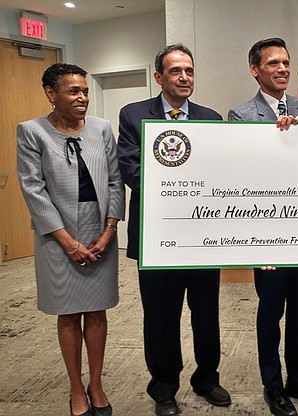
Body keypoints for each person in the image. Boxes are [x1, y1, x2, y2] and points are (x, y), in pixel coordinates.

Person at [117, 44, 230, 416]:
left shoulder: (211, 119)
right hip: (158, 238)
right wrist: (182, 184)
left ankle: (208, 379)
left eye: (190, 71)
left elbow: (221, 174)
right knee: (161, 317)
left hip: (201, 237)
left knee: (206, 313)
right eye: (176, 71)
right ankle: (164, 388)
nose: (185, 78)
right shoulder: (134, 116)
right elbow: (131, 169)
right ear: (159, 77)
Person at [228, 37, 298, 416]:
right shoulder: (240, 115)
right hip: (267, 233)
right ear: (255, 69)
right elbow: (243, 177)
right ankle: (273, 385)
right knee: (270, 310)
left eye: (286, 63)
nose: (283, 69)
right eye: (273, 63)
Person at [16, 63, 124, 416]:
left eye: (86, 91)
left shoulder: (102, 129)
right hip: (56, 233)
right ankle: (76, 388)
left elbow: (114, 180)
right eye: (73, 91)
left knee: (96, 311)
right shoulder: (32, 132)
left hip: (99, 230)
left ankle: (96, 384)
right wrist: (67, 241)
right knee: (67, 313)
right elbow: (33, 189)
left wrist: (110, 229)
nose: (82, 98)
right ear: (51, 93)